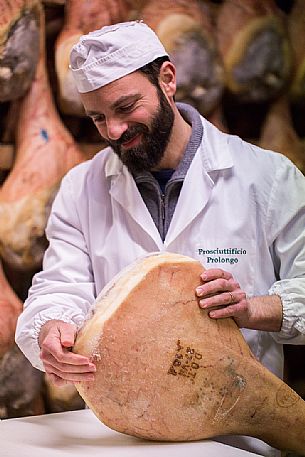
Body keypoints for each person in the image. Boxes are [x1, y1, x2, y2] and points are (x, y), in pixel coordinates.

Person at [16, 20, 305, 456]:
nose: (114, 131)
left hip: (239, 436)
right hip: (126, 435)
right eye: (98, 118)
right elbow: (60, 285)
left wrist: (253, 308)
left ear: (167, 79)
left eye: (126, 107)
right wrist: (52, 328)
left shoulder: (266, 178)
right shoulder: (81, 187)